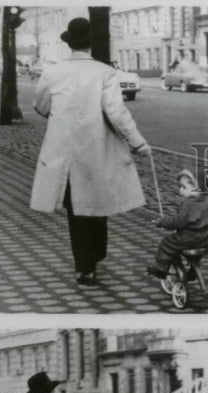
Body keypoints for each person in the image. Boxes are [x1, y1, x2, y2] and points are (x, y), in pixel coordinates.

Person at [30, 17, 151, 288]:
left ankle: (84, 265)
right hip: (97, 148)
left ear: (69, 44)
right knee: (98, 203)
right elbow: (116, 113)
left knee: (76, 209)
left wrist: (60, 117)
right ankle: (94, 258)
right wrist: (137, 142)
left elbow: (40, 105)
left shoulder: (53, 72)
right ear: (90, 43)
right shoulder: (104, 72)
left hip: (64, 151)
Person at [145, 169, 208, 279]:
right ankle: (194, 268)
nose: (180, 190)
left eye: (183, 187)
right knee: (197, 248)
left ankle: (160, 268)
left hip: (188, 238)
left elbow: (179, 222)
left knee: (167, 243)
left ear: (197, 189)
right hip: (204, 237)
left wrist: (161, 222)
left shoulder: (188, 203)